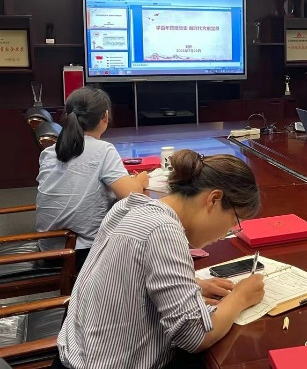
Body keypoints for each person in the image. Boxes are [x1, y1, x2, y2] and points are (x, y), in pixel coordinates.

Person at [54, 150, 265, 369]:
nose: (225, 234)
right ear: (214, 199)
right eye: (233, 222)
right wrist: (240, 297)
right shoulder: (163, 230)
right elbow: (195, 336)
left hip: (75, 355)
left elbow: (127, 276)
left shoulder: (129, 206)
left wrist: (189, 284)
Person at [36, 86, 148, 268]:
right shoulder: (103, 150)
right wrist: (140, 181)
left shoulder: (49, 152)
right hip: (82, 253)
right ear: (105, 116)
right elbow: (132, 196)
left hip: (49, 248)